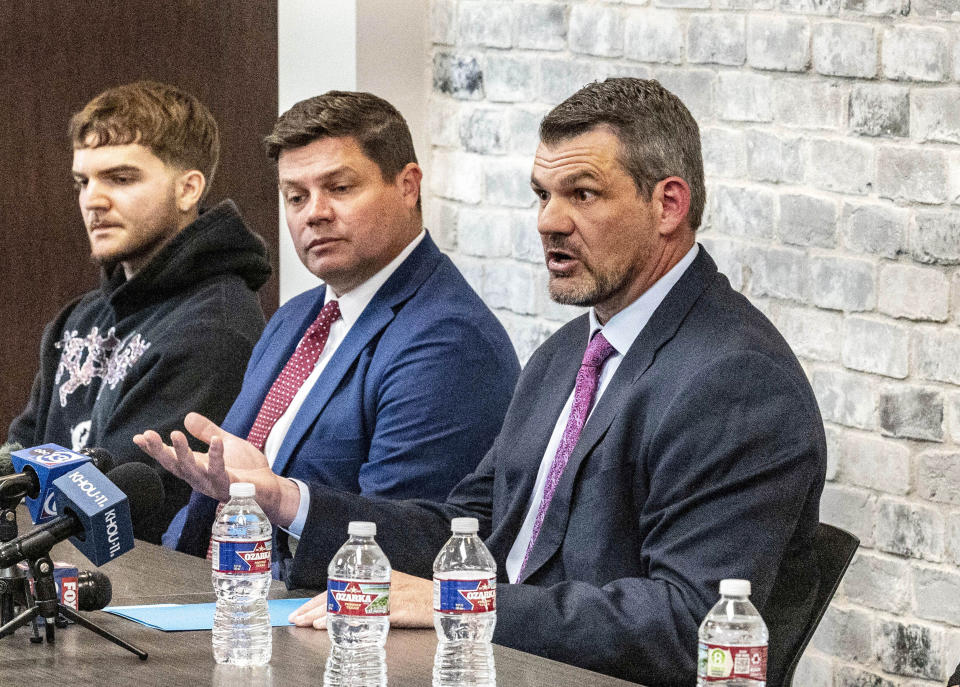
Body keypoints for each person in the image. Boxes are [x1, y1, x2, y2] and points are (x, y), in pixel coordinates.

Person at [136, 78, 826, 686]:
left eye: (582, 194)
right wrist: (285, 497)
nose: (549, 221)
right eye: (543, 194)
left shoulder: (734, 379)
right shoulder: (568, 353)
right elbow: (455, 529)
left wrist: (456, 601)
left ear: (668, 204)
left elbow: (690, 624)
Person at [161, 91, 520, 575]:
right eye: (296, 196)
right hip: (215, 602)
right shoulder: (295, 317)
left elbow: (409, 544)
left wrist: (283, 499)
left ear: (408, 185)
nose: (315, 212)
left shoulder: (449, 342)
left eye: (340, 188)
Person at [7, 81, 271, 543]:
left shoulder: (217, 326)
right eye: (83, 181)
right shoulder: (77, 318)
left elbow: (123, 501)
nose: (93, 199)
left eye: (121, 178)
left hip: (137, 592)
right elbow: (20, 456)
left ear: (189, 189)